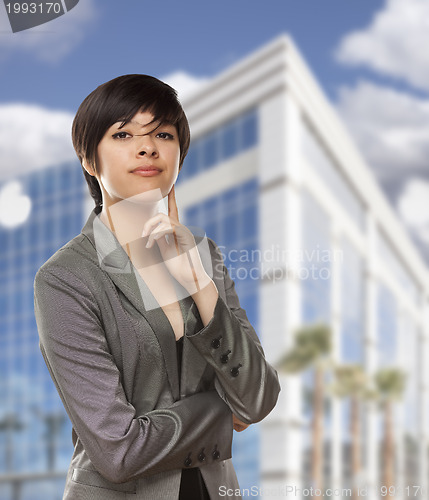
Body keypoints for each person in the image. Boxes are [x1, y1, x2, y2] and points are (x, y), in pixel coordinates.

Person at [34, 74, 280, 500]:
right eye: (123, 134)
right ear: (89, 160)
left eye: (162, 134)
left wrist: (201, 285)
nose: (147, 147)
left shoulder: (205, 255)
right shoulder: (65, 279)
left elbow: (258, 397)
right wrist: (223, 411)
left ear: (180, 154)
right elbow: (119, 452)